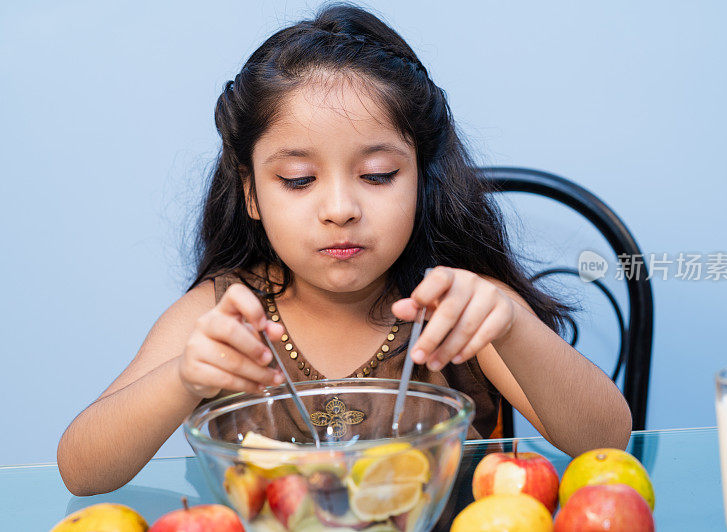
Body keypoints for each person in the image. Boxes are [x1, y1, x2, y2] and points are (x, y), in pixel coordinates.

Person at [57, 2, 631, 496]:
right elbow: (82, 471)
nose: (340, 209)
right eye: (300, 180)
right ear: (251, 192)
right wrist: (184, 377)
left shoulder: (461, 309)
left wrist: (512, 326)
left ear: (419, 179)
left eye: (378, 175)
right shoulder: (224, 314)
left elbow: (606, 443)